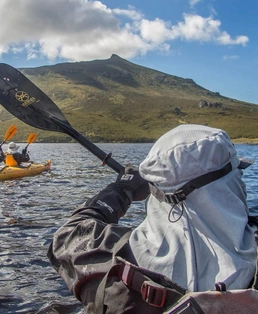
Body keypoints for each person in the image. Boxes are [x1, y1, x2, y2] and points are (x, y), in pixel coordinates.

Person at [48, 124, 258, 313]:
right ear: (231, 181)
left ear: (154, 189)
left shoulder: (106, 258)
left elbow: (68, 236)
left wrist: (123, 189)